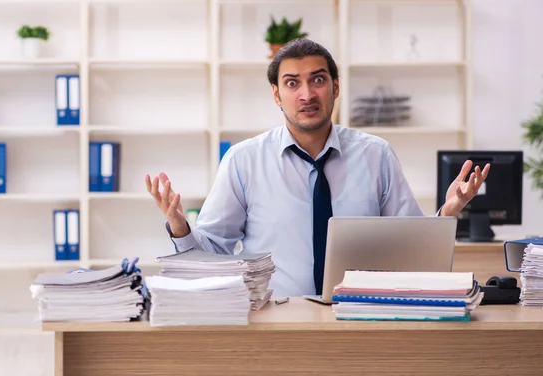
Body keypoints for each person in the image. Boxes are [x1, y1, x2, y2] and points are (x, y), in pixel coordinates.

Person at [145, 38, 490, 297]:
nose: (306, 94)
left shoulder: (376, 155)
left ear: (335, 87)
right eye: (292, 83)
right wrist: (179, 227)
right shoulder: (243, 160)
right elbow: (214, 250)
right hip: (276, 320)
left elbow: (414, 251)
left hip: (362, 316)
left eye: (318, 80)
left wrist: (449, 210)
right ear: (277, 96)